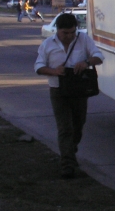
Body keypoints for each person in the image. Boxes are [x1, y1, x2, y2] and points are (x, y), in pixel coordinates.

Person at [35, 13, 104, 178]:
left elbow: (99, 56)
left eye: (72, 32)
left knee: (78, 126)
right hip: (58, 90)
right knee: (65, 128)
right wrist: (54, 71)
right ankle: (67, 165)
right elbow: (38, 66)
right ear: (57, 31)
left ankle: (70, 153)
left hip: (79, 90)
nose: (69, 36)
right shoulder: (47, 44)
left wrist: (86, 63)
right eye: (65, 33)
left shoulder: (83, 39)